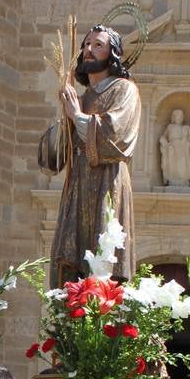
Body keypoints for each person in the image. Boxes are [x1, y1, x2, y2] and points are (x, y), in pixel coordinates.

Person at [37, 24, 143, 284]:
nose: (88, 50)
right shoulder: (80, 99)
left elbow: (116, 136)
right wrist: (65, 119)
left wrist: (77, 116)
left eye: (98, 45)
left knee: (105, 256)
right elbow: (52, 161)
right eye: (86, 45)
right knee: (69, 261)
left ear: (113, 54)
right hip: (77, 188)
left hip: (108, 184)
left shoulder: (123, 90)